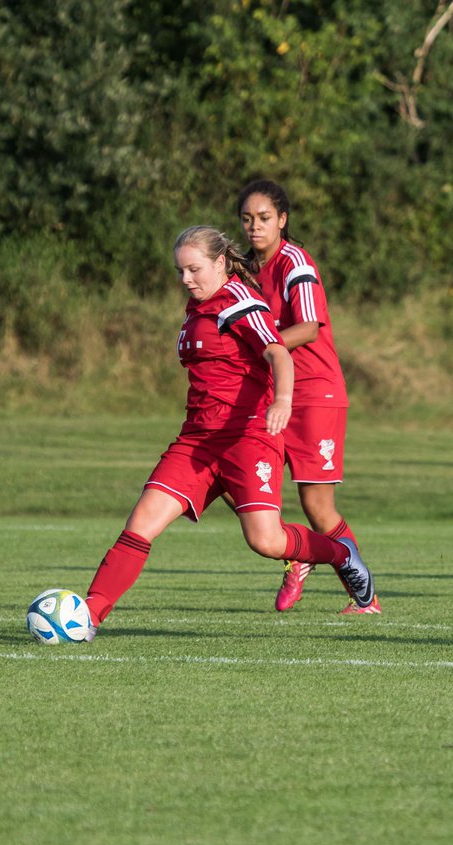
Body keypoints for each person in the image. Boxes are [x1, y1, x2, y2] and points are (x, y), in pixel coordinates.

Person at [81, 226, 377, 638]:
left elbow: (277, 351)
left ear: (220, 263)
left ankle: (340, 554)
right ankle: (89, 616)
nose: (186, 279)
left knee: (267, 542)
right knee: (141, 523)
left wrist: (283, 401)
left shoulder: (239, 300)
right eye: (180, 271)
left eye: (194, 269)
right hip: (197, 442)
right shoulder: (195, 308)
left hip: (248, 439)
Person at [237, 180, 374, 614]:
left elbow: (310, 327)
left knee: (317, 505)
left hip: (315, 393)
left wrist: (263, 346)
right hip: (270, 396)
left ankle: (363, 595)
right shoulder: (243, 268)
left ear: (282, 219)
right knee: (240, 480)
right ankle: (299, 552)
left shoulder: (295, 262)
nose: (255, 227)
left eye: (263, 218)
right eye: (247, 219)